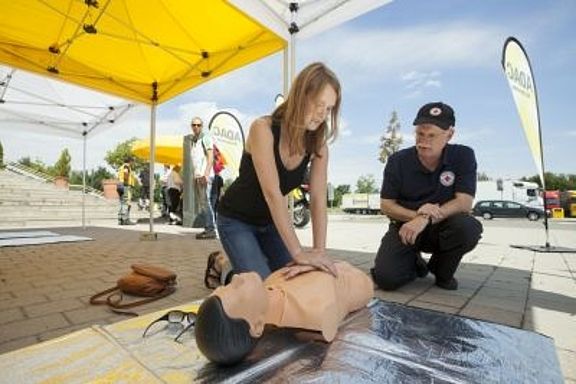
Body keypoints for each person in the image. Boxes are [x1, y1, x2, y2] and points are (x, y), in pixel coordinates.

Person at [216, 62, 341, 280]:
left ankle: (241, 263)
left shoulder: (319, 144)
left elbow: (318, 199)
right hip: (236, 219)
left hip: (270, 223)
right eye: (318, 103)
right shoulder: (262, 129)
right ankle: (224, 267)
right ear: (301, 95)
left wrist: (319, 253)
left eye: (329, 108)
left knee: (297, 280)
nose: (323, 114)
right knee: (266, 287)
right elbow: (272, 194)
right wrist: (299, 253)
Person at [372, 102, 483, 291]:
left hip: (443, 228)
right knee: (386, 279)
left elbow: (464, 203)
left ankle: (442, 271)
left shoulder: (463, 156)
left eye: (431, 135)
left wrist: (426, 218)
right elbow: (386, 205)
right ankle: (415, 263)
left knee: (468, 227)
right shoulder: (398, 161)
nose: (424, 141)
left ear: (449, 134)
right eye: (420, 134)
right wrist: (416, 216)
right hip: (405, 229)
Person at [194, 261, 374, 365]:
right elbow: (366, 288)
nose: (236, 278)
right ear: (257, 326)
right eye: (236, 289)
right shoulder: (316, 312)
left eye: (228, 284)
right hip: (354, 278)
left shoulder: (270, 283)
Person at [190, 117, 217, 239]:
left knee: (206, 203)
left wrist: (205, 174)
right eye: (194, 125)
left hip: (205, 176)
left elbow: (211, 157)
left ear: (202, 126)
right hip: (198, 176)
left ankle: (211, 230)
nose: (196, 127)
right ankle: (208, 228)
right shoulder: (195, 141)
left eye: (198, 125)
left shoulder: (206, 138)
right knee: (203, 203)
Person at [117, 156, 137, 225]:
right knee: (126, 202)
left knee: (122, 202)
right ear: (130, 161)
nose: (133, 163)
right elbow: (125, 173)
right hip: (125, 186)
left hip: (120, 185)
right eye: (133, 161)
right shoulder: (126, 166)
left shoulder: (121, 167)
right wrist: (126, 182)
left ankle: (120, 219)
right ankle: (125, 219)